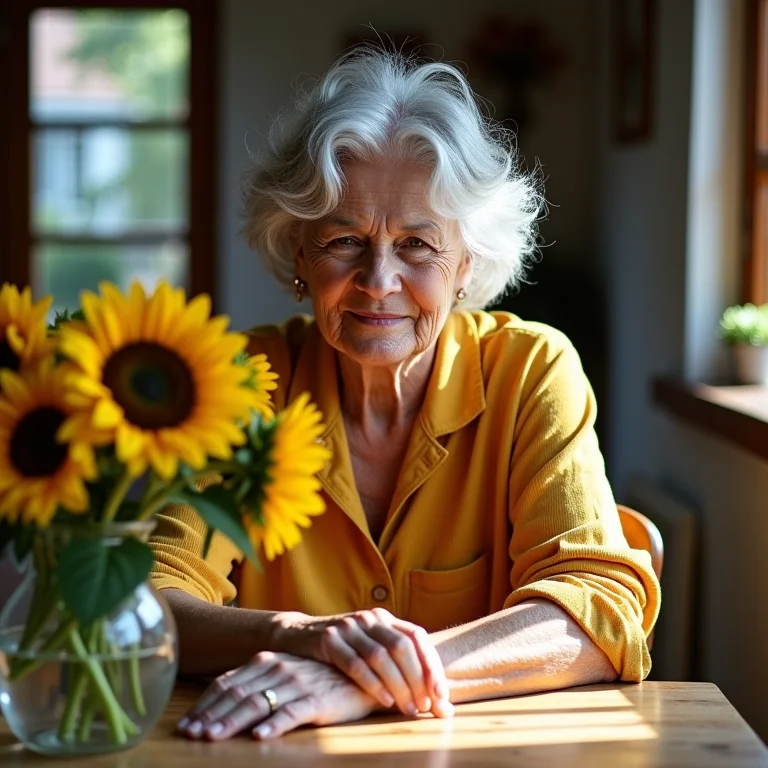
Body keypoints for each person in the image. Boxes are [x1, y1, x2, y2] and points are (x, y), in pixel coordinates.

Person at [149, 49, 660, 743]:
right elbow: (153, 602)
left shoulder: (531, 370)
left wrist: (360, 678)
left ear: (467, 264)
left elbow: (597, 609)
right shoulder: (245, 382)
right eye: (343, 240)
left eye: (417, 244)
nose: (378, 279)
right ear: (299, 256)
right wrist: (309, 637)